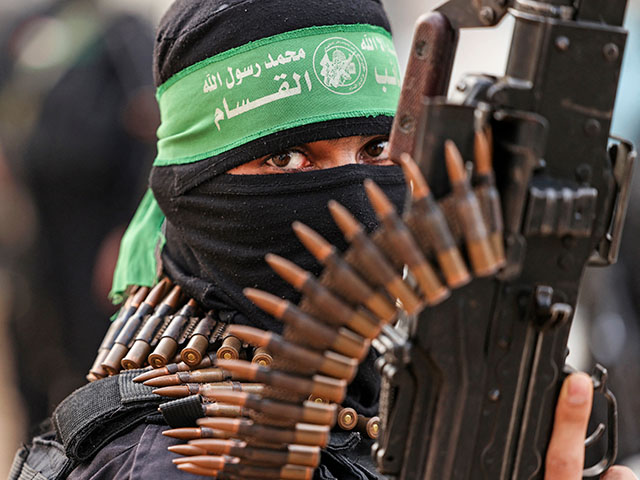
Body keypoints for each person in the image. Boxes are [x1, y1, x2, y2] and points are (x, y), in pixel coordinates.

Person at [9, 1, 637, 479]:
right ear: (188, 185)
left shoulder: (396, 389)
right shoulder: (167, 460)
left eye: (374, 150)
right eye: (286, 159)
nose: (356, 196)